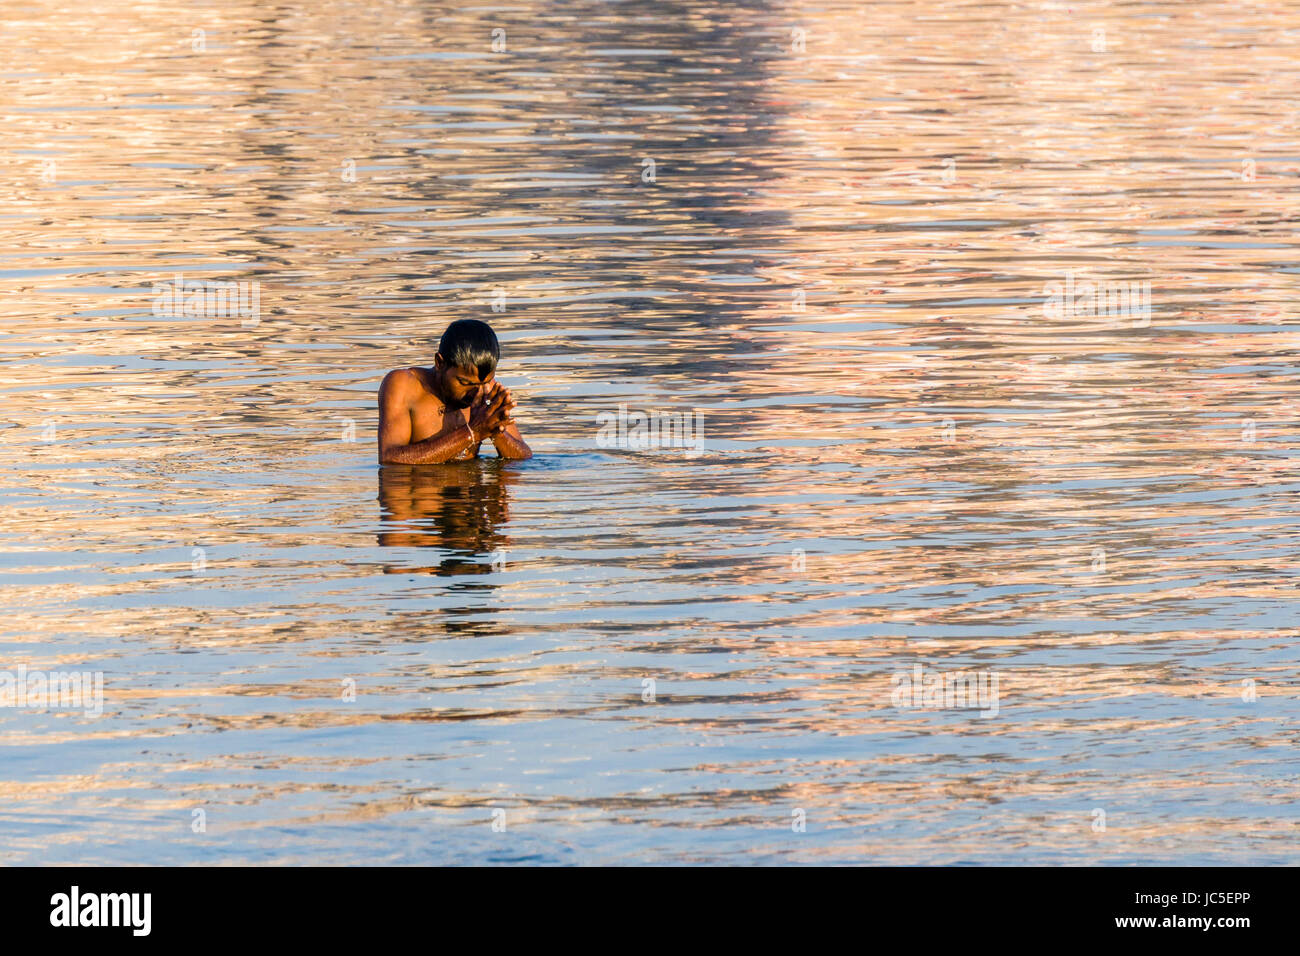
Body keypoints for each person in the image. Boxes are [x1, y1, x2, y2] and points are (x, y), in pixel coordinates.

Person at [378, 319, 532, 464]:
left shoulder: (486, 389)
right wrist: (472, 433)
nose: (477, 392)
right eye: (465, 383)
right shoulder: (404, 384)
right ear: (440, 363)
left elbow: (522, 459)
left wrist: (496, 431)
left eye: (484, 382)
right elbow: (390, 458)